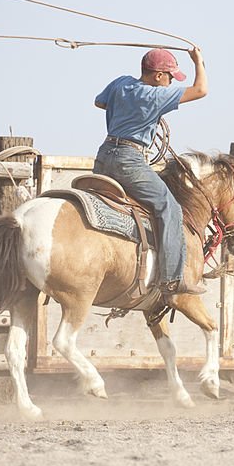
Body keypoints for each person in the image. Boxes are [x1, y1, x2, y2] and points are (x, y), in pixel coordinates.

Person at [92, 46, 208, 295]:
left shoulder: (121, 83)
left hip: (104, 156)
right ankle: (172, 278)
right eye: (169, 77)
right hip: (129, 160)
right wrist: (199, 61)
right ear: (157, 75)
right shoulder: (155, 96)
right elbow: (201, 90)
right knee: (170, 207)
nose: (169, 83)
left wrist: (128, 112)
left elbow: (99, 102)